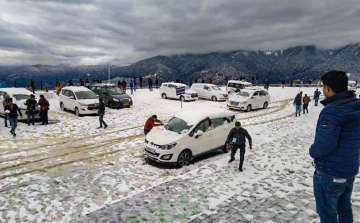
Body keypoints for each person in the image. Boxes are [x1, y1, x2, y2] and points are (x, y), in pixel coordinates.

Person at [309, 70, 360, 223]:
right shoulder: (355, 106)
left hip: (329, 172)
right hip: (348, 169)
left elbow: (325, 145)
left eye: (324, 87)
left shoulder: (332, 111)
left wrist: (312, 151)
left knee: (327, 213)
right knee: (344, 209)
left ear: (328, 88)